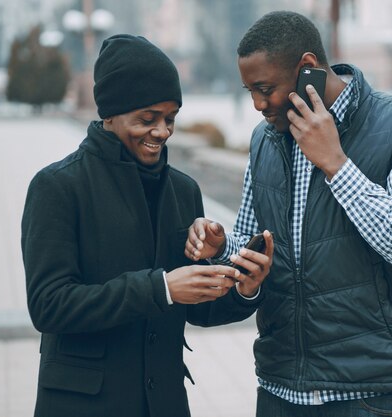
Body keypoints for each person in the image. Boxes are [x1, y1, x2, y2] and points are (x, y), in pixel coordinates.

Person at [186, 11, 392, 417]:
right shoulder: (265, 139)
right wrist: (222, 245)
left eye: (265, 88)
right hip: (280, 388)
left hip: (372, 394)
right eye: (249, 90)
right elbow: (255, 246)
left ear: (307, 68)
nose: (256, 104)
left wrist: (336, 164)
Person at [21, 34, 272, 417]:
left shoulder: (184, 191)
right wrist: (161, 288)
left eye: (170, 118)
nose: (162, 131)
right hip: (82, 405)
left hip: (164, 404)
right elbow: (49, 306)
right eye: (147, 119)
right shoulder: (57, 187)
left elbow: (198, 308)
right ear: (109, 114)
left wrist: (244, 289)